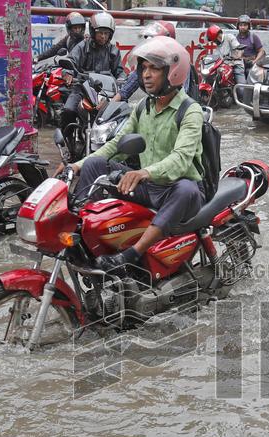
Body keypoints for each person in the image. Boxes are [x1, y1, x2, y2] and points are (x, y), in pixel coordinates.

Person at [64, 36, 206, 272]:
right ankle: (85, 234)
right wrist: (76, 165)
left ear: (173, 73)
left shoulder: (190, 110)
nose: (146, 75)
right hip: (148, 186)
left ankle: (133, 252)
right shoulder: (143, 107)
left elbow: (181, 159)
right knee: (97, 164)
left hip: (175, 189)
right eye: (144, 68)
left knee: (186, 188)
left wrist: (144, 172)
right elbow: (116, 145)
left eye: (154, 68)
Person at [61, 12, 124, 140]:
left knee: (120, 112)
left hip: (105, 91)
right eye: (100, 33)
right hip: (82, 88)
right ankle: (66, 140)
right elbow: (71, 61)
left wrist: (122, 79)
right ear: (93, 31)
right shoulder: (83, 46)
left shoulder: (113, 51)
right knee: (68, 110)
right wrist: (67, 73)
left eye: (106, 33)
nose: (103, 36)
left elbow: (119, 70)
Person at [115, 21, 198, 102]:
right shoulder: (147, 63)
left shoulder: (180, 64)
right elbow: (127, 88)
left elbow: (182, 95)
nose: (146, 75)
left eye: (155, 68)